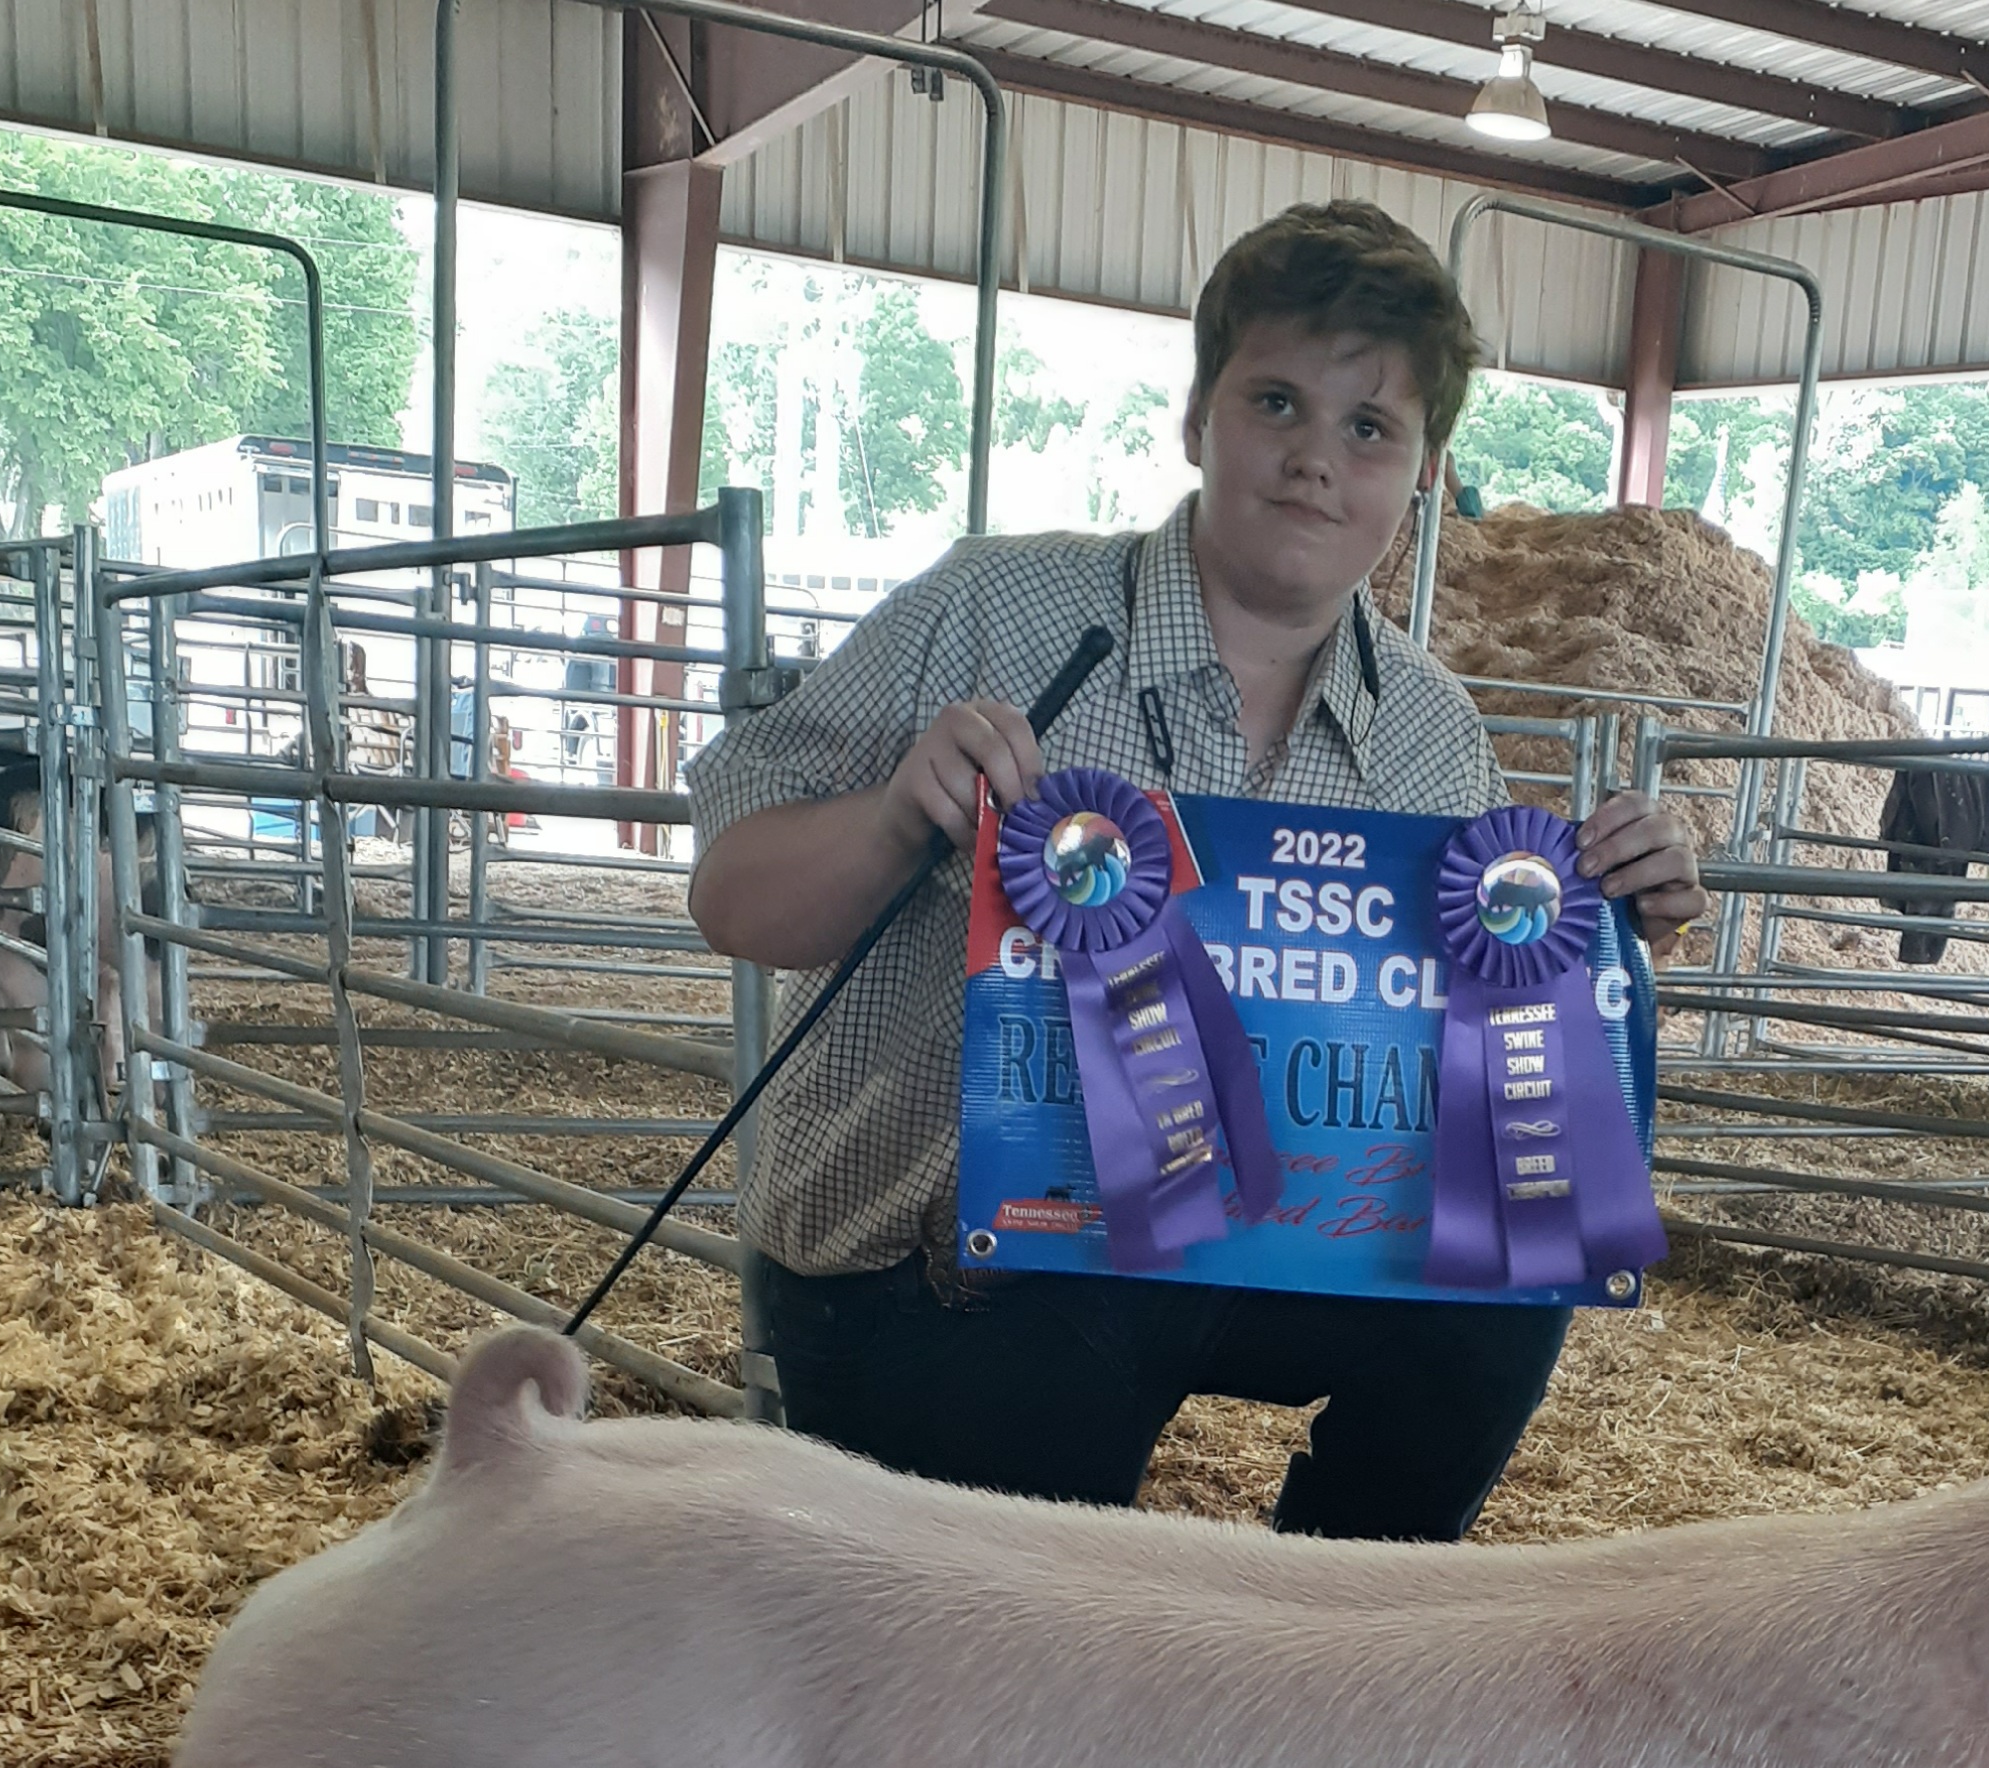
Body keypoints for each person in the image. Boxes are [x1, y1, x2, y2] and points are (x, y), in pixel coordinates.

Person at [687, 200, 1702, 1541]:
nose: (1315, 460)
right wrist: (894, 818)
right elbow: (733, 896)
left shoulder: (1432, 734)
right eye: (1275, 402)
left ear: (1423, 474)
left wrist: (1607, 930)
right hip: (925, 1266)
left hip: (1241, 1245)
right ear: (1195, 417)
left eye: (1369, 427)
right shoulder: (990, 611)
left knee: (1511, 1280)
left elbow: (1466, 1061)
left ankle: (1340, 1618)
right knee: (1043, 1553)